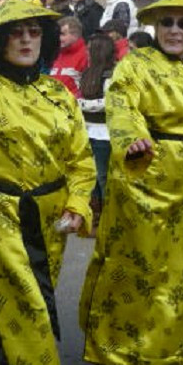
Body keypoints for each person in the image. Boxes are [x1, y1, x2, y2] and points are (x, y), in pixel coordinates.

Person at [79, 0, 183, 365]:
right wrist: (132, 140)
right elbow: (121, 106)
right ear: (155, 28)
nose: (176, 31)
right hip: (143, 179)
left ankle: (171, 359)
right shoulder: (134, 65)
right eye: (168, 24)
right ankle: (117, 347)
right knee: (137, 269)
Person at [0, 0, 95, 365]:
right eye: (15, 32)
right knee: (25, 312)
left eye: (34, 31)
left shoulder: (58, 92)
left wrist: (77, 204)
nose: (25, 39)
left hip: (50, 221)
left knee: (23, 310)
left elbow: (80, 159)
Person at [78, 32, 117, 231]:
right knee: (91, 176)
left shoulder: (111, 75)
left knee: (103, 176)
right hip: (87, 131)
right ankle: (94, 215)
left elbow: (108, 103)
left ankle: (107, 218)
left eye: (90, 48)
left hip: (104, 134)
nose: (87, 51)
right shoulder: (87, 73)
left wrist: (81, 104)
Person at [49, 16, 88, 97]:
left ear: (75, 35)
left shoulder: (86, 54)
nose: (58, 38)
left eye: (62, 34)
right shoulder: (56, 54)